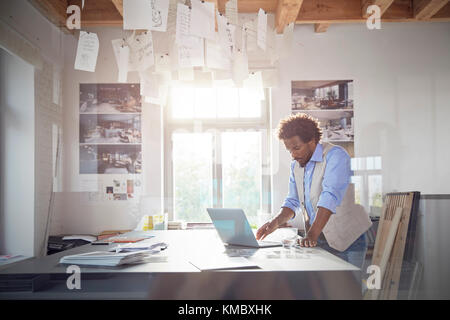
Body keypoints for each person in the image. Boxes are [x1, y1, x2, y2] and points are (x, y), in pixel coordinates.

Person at [256, 113, 372, 269]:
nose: (293, 155)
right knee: (324, 289)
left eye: (296, 148)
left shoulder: (336, 156)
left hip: (348, 239)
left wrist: (311, 234)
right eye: (289, 150)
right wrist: (275, 223)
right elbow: (293, 200)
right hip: (320, 237)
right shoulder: (296, 165)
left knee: (347, 290)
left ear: (312, 140)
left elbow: (329, 196)